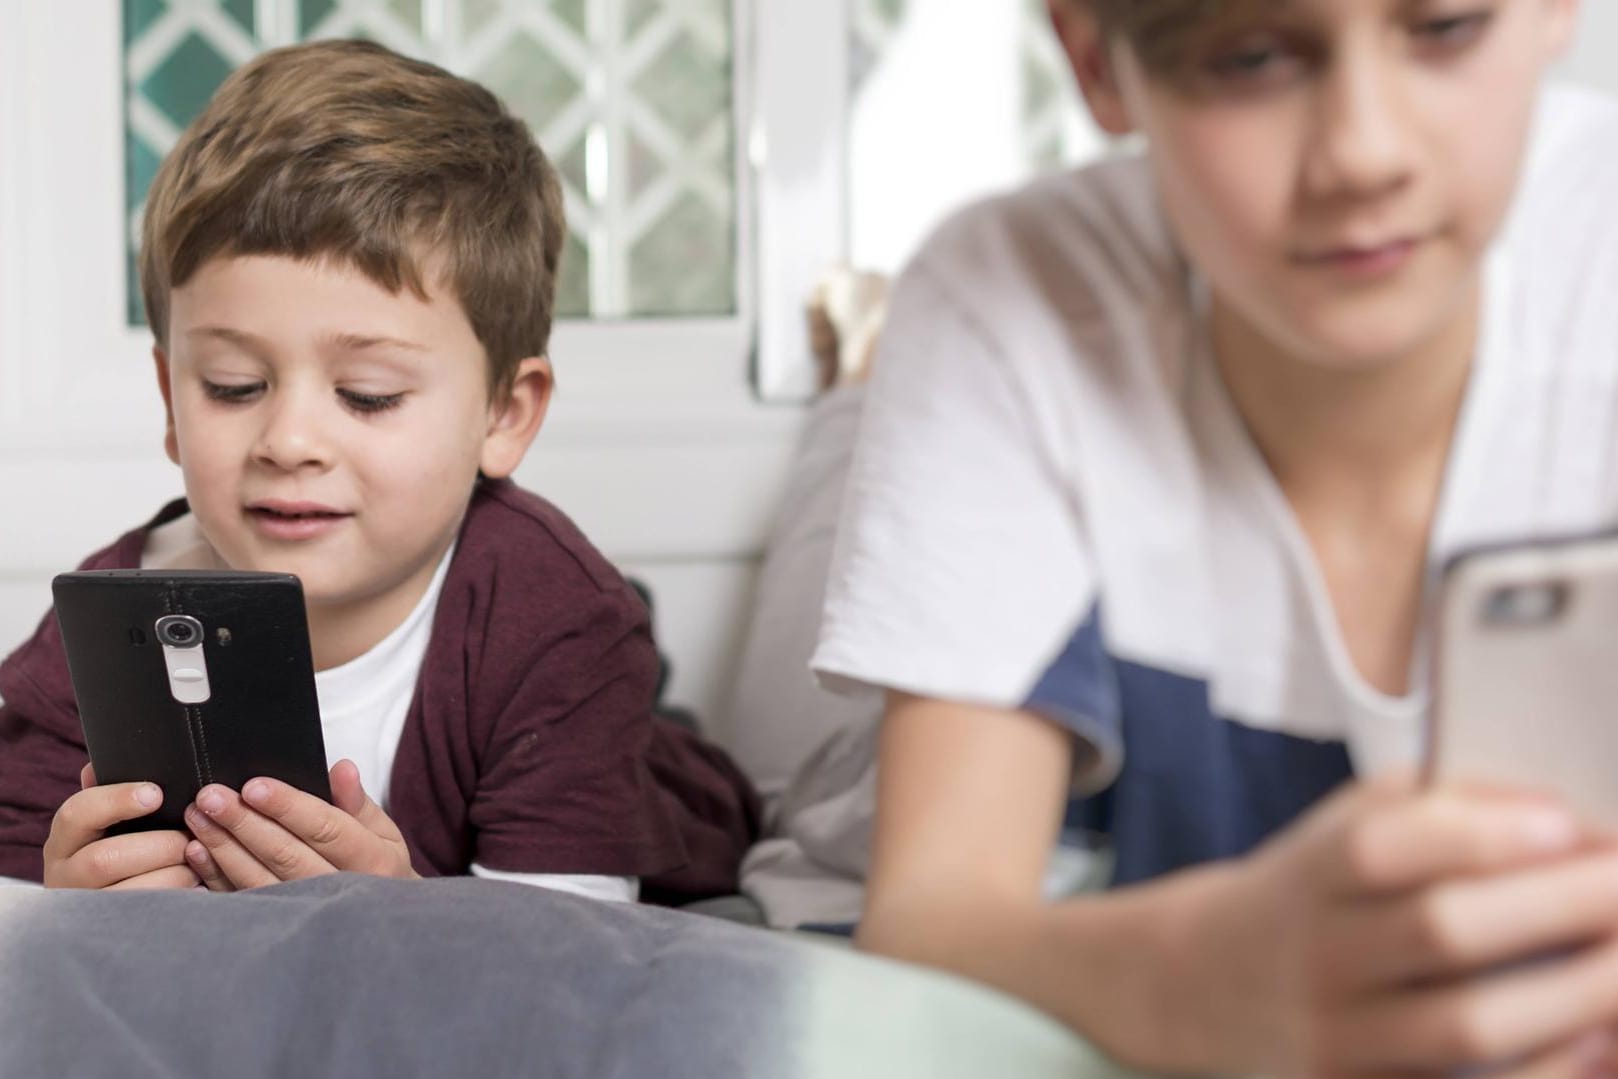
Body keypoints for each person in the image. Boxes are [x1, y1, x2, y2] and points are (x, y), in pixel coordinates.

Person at [811, 0, 1618, 1073]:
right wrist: (1197, 977)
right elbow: (927, 925)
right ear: (1094, 62)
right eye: (1248, 58)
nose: (1363, 154)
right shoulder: (1010, 296)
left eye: (1443, 27)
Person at [0, 39, 758, 905]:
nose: (289, 440)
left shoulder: (560, 625)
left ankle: (668, 728)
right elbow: (22, 927)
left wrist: (404, 920)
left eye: (367, 395)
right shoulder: (96, 636)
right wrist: (65, 909)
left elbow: (562, 970)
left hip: (642, 785)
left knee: (684, 792)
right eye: (233, 386)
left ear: (504, 416)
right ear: (172, 400)